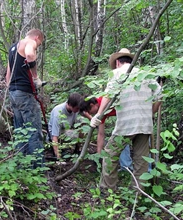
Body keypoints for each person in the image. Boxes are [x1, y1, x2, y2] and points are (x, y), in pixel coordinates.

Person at [90, 48, 162, 190]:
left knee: (110, 155)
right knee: (141, 161)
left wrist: (98, 115)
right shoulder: (145, 74)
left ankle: (107, 190)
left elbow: (108, 95)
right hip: (145, 124)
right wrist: (150, 113)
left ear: (117, 62)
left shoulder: (117, 73)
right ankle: (138, 194)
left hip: (126, 125)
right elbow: (159, 95)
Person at [6, 29, 45, 168]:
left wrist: (10, 90)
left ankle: (22, 166)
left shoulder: (13, 48)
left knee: (20, 129)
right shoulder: (30, 42)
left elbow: (8, 74)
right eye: (39, 43)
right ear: (37, 37)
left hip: (13, 93)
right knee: (33, 129)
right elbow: (29, 54)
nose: (37, 46)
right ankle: (37, 168)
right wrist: (36, 77)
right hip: (25, 93)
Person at [48, 93, 83, 159]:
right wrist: (58, 158)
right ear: (70, 105)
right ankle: (58, 151)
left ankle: (77, 149)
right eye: (77, 108)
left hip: (65, 131)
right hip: (56, 135)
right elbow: (54, 136)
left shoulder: (75, 110)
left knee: (83, 125)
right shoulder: (58, 113)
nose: (78, 110)